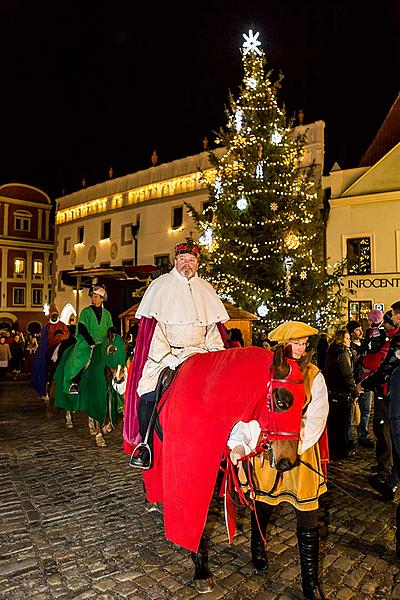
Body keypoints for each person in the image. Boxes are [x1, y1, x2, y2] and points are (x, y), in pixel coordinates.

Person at [228, 321, 329, 600]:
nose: (302, 348)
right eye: (296, 343)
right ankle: (257, 548)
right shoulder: (265, 374)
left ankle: (310, 584)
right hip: (267, 449)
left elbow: (317, 417)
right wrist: (248, 442)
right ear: (282, 345)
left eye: (304, 343)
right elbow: (251, 411)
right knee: (262, 505)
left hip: (300, 451)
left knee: (308, 519)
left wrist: (293, 447)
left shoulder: (314, 375)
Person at [124, 238, 229, 471]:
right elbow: (154, 333)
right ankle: (145, 445)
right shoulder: (161, 286)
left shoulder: (206, 289)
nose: (186, 264)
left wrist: (216, 355)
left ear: (197, 263)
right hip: (166, 356)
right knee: (149, 394)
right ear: (175, 261)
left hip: (200, 356)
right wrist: (169, 359)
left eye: (191, 260)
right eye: (182, 259)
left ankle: (229, 445)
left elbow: (212, 331)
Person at [63, 285, 114, 395]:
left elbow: (110, 329)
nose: (93, 299)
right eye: (92, 297)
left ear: (101, 298)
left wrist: (113, 340)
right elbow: (82, 328)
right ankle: (74, 382)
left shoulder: (107, 314)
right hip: (87, 341)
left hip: (103, 342)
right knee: (82, 356)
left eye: (96, 297)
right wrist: (90, 342)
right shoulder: (86, 312)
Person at [325, 328, 360, 460]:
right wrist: (354, 391)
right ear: (340, 339)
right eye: (346, 338)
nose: (349, 340)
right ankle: (341, 452)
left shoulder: (331, 352)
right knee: (342, 425)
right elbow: (347, 375)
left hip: (332, 393)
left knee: (334, 424)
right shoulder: (342, 353)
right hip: (342, 393)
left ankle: (333, 450)